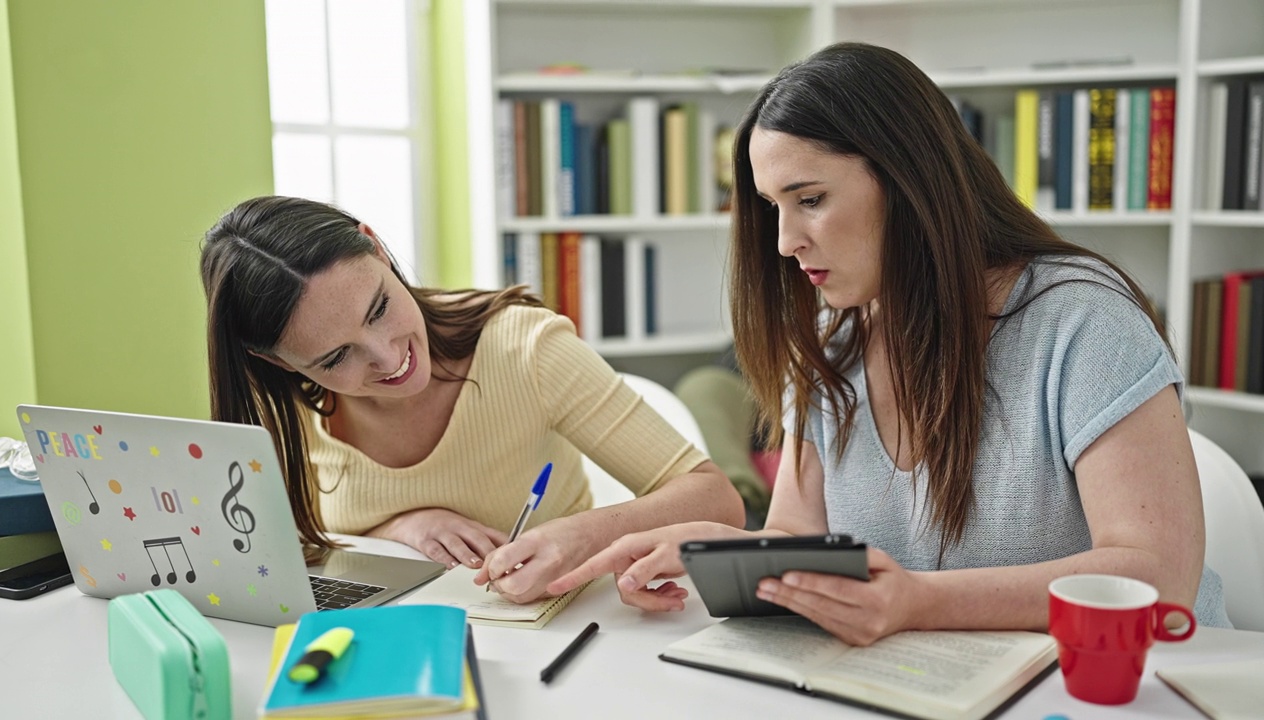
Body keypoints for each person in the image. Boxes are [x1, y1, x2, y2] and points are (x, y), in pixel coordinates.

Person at [551, 41, 1231, 643]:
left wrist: (918, 603)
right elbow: (796, 537)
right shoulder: (833, 340)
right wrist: (711, 549)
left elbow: (1156, 576)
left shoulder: (1084, 321)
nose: (785, 242)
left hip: (1137, 685)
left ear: (907, 179)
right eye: (772, 208)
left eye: (810, 198)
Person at [199, 196, 744, 604]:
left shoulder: (525, 349)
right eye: (336, 358)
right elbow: (283, 544)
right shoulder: (277, 407)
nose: (389, 360)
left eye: (379, 309)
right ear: (278, 362)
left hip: (563, 642)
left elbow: (717, 500)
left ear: (379, 247)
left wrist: (582, 534)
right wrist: (401, 527)